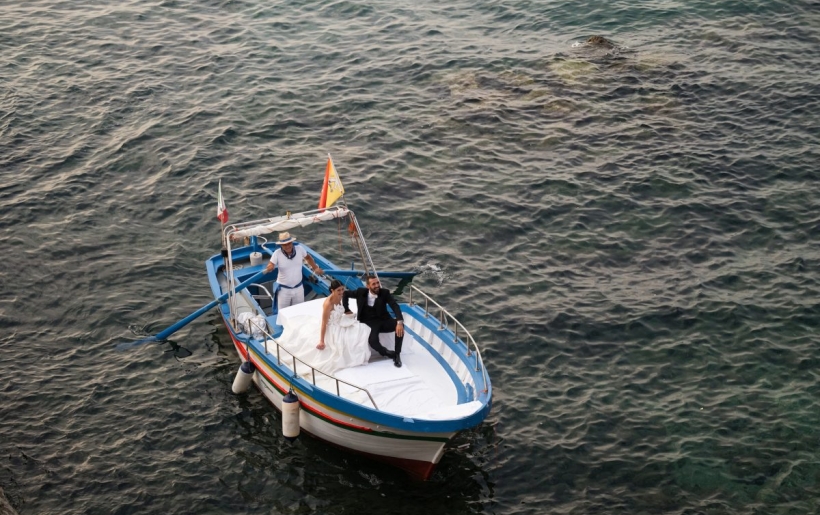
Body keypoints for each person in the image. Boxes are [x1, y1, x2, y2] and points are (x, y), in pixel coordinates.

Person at [278, 280, 371, 374]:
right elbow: (323, 323)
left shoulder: (340, 297)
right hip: (331, 328)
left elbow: (341, 310)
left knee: (361, 329)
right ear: (332, 290)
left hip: (340, 322)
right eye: (339, 290)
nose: (342, 292)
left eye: (342, 289)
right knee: (344, 342)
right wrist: (322, 341)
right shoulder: (328, 304)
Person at [343, 274, 405, 367]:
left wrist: (399, 322)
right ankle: (388, 353)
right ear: (368, 286)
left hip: (383, 320)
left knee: (400, 326)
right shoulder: (361, 292)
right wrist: (346, 309)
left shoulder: (385, 293)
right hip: (368, 323)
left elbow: (394, 306)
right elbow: (345, 294)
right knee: (373, 341)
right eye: (373, 284)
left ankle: (397, 354)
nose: (377, 286)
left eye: (377, 283)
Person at [263, 231, 323, 308]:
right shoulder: (277, 253)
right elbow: (271, 264)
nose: (287, 246)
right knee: (283, 312)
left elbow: (308, 257)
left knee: (299, 310)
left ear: (292, 242)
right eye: (284, 245)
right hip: (284, 290)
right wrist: (270, 267)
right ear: (281, 245)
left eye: (289, 243)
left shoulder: (300, 249)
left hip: (299, 288)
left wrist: (315, 268)